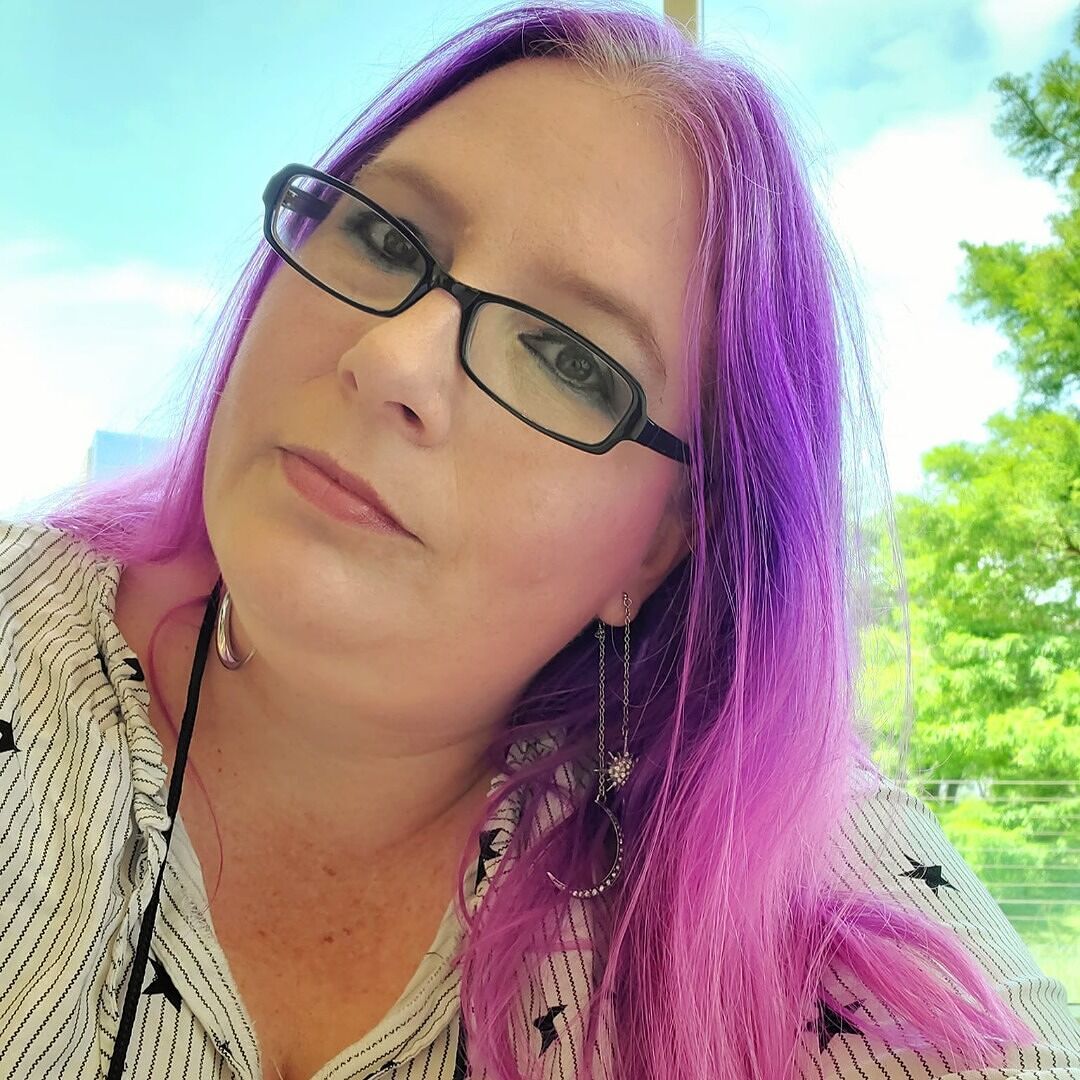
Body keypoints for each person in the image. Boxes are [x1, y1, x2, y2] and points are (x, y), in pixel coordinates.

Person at [2, 3, 1078, 1079]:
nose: (393, 361)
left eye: (566, 358)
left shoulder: (765, 852)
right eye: (385, 238)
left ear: (655, 547)